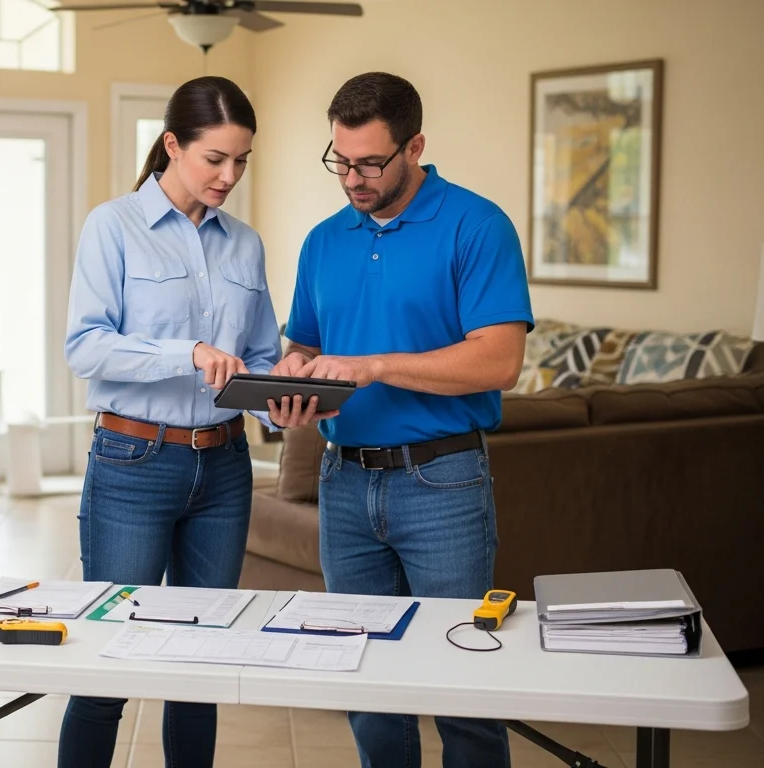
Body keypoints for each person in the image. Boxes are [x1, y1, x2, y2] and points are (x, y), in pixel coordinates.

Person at [267, 72, 534, 768]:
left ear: (415, 146)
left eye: (370, 163)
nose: (352, 178)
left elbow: (499, 360)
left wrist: (375, 366)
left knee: (463, 685)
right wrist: (292, 376)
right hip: (344, 483)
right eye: (340, 161)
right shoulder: (324, 241)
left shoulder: (476, 225)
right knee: (366, 682)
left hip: (442, 482)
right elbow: (307, 344)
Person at [57, 75, 282, 768]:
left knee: (199, 665)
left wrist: (284, 397)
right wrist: (184, 353)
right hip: (133, 466)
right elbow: (85, 348)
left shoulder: (244, 244)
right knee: (106, 659)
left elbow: (263, 356)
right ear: (172, 146)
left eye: (241, 160)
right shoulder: (113, 226)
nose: (229, 175)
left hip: (223, 469)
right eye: (215, 158)